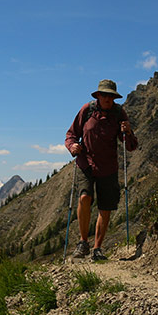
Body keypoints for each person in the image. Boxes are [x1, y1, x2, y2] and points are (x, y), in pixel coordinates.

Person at [65, 79, 138, 260]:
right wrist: (73, 146)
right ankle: (83, 243)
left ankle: (97, 249)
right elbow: (71, 134)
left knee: (105, 208)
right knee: (84, 197)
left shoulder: (119, 113)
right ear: (98, 95)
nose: (108, 99)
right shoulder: (87, 110)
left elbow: (130, 146)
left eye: (111, 96)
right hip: (86, 163)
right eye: (105, 95)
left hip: (108, 166)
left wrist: (128, 131)